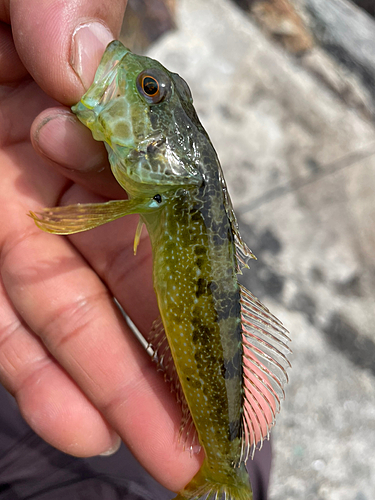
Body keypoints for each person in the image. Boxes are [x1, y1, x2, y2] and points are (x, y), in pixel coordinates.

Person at [0, 1, 271, 498]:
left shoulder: (174, 191)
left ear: (167, 164)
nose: (118, 62)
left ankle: (222, 472)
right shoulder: (169, 188)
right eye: (153, 89)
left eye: (148, 91)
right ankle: (227, 471)